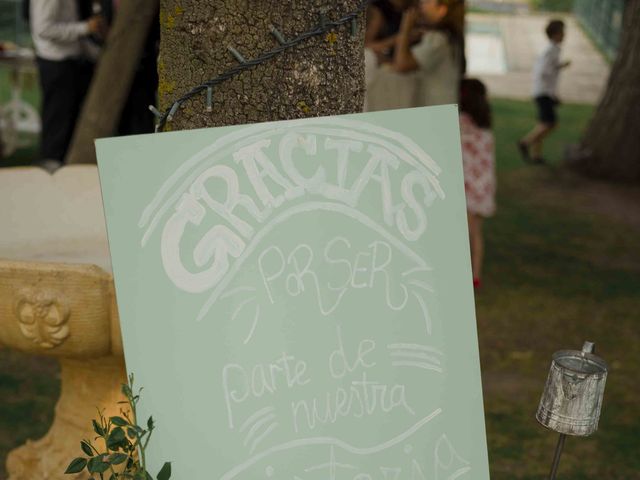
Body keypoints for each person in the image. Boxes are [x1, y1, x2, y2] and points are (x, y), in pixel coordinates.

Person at [30, 0, 106, 168]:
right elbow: (43, 28)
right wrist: (85, 27)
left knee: (68, 125)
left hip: (71, 63)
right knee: (57, 125)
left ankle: (63, 171)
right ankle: (50, 172)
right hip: (56, 64)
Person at [391, 0, 465, 106]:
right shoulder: (448, 37)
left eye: (426, 1)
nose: (421, 5)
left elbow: (401, 65)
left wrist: (406, 28)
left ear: (442, 9)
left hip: (435, 111)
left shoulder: (438, 39)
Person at [459, 78, 496, 289]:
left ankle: (464, 273)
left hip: (466, 187)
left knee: (463, 234)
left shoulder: (461, 123)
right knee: (476, 234)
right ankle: (475, 274)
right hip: (481, 188)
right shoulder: (485, 127)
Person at [518, 19, 570, 164]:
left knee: (543, 123)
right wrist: (552, 94)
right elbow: (544, 72)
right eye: (562, 32)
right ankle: (525, 142)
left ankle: (536, 156)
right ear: (555, 34)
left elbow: (548, 69)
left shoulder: (553, 50)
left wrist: (559, 66)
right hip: (543, 92)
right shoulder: (550, 51)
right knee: (550, 123)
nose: (564, 35)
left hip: (543, 91)